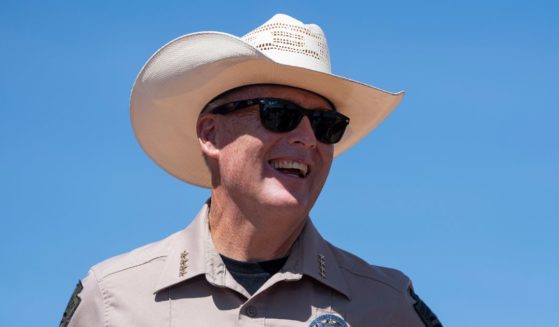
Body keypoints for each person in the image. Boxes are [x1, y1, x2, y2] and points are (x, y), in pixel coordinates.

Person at [60, 14, 442, 327]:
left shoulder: (388, 307)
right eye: (280, 114)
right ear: (211, 133)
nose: (308, 138)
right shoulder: (113, 300)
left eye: (326, 124)